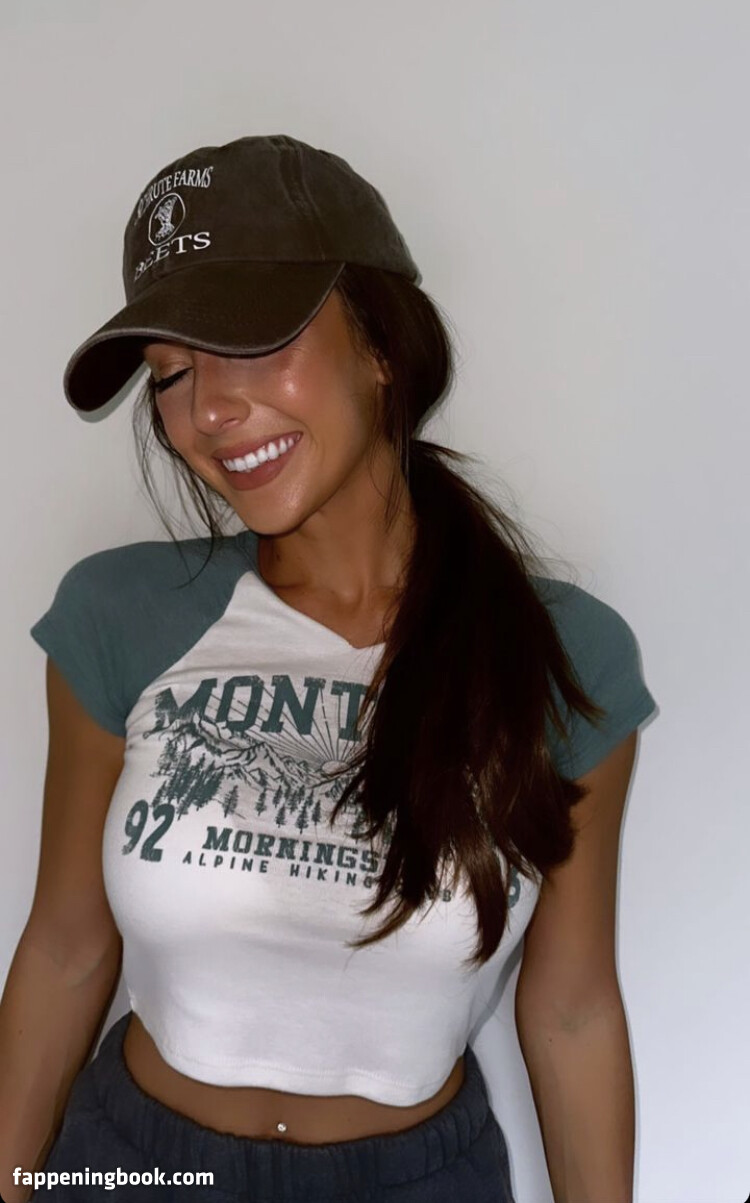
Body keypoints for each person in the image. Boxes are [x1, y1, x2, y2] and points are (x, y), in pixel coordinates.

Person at [0, 134, 657, 1203]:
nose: (206, 412)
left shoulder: (561, 655)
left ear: (382, 343)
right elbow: (68, 948)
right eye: (172, 375)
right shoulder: (120, 616)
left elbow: (573, 1008)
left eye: (251, 345)